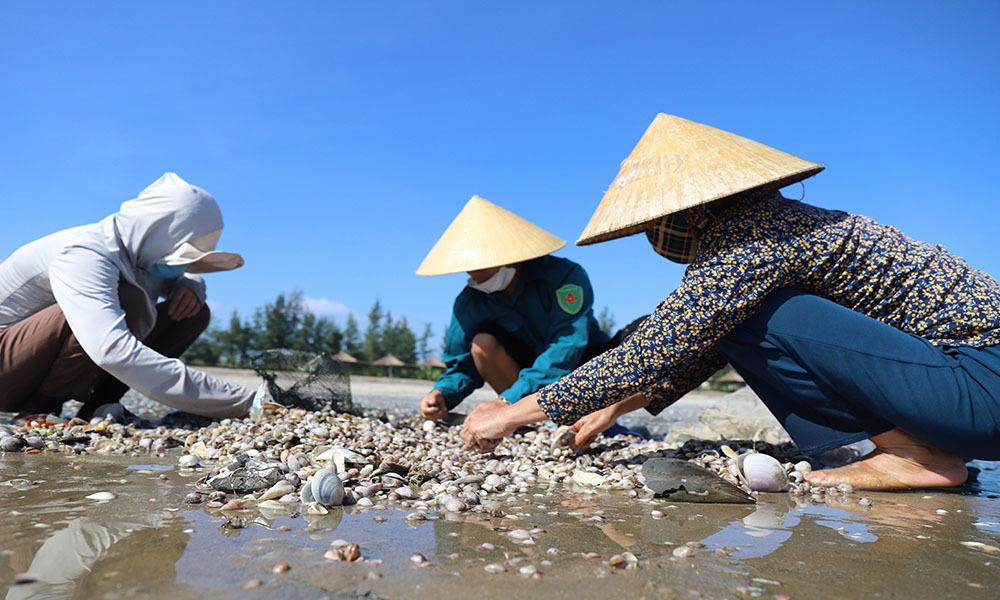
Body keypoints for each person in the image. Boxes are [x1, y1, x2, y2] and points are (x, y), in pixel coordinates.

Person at [462, 114, 1000, 491]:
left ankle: (915, 455)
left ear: (689, 210)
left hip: (981, 386)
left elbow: (660, 345)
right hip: (966, 390)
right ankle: (914, 448)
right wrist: (616, 406)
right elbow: (713, 341)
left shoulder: (750, 238)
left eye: (653, 224)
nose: (654, 237)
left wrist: (511, 414)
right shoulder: (777, 228)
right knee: (742, 318)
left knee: (761, 315)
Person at [0, 172, 259, 421]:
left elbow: (185, 277)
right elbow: (111, 350)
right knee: (127, 299)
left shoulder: (144, 253)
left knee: (193, 312)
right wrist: (243, 400)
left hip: (34, 368)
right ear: (157, 232)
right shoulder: (86, 254)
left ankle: (100, 405)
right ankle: (40, 410)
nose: (182, 265)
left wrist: (193, 287)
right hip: (7, 372)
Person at [416, 195, 643, 447]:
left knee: (642, 337)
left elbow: (566, 346)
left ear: (509, 255)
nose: (473, 273)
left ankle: (600, 417)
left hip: (583, 367)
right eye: (469, 268)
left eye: (481, 265)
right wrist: (442, 394)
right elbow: (462, 365)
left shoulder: (564, 277)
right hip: (520, 376)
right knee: (482, 342)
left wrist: (506, 401)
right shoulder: (469, 302)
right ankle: (526, 421)